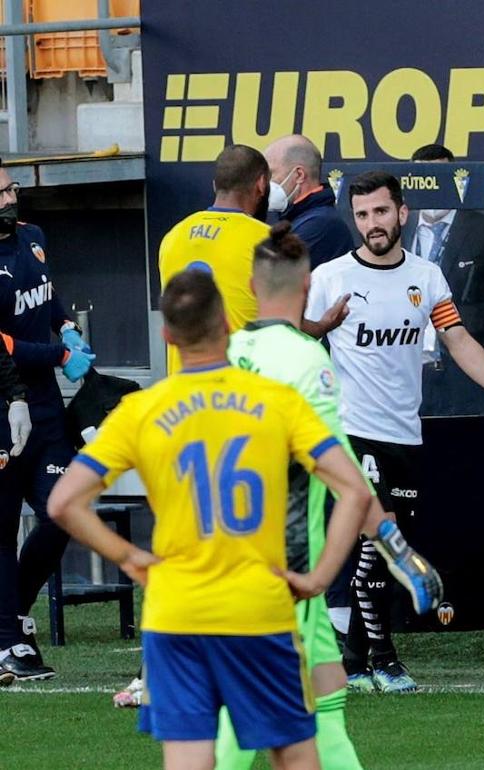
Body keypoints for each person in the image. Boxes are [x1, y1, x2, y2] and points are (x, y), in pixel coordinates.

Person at [47, 270, 372, 770]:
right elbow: (352, 488)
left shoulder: (141, 409)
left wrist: (131, 558)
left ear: (167, 336)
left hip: (175, 610)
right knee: (296, 757)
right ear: (227, 323)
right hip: (259, 607)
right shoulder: (276, 401)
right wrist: (320, 577)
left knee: (192, 762)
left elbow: (63, 502)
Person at [216, 222, 444, 768]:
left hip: (233, 557)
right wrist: (398, 552)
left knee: (326, 706)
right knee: (247, 716)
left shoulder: (229, 353)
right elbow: (345, 477)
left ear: (251, 283)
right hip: (281, 570)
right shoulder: (305, 363)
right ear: (306, 287)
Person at [306, 170, 484, 692]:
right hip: (351, 433)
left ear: (402, 213)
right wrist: (316, 331)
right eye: (363, 214)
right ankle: (387, 660)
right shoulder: (330, 278)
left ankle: (353, 662)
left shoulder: (426, 276)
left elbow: (456, 339)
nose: (372, 224)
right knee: (381, 543)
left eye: (381, 212)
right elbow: (290, 336)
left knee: (390, 545)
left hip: (405, 435)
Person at [0, 161, 94, 682]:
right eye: (4, 191)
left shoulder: (34, 237)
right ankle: (8, 642)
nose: (13, 197)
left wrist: (66, 329)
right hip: (2, 406)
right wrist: (59, 357)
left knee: (65, 508)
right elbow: (4, 345)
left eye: (13, 188)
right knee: (3, 527)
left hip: (45, 406)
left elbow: (49, 297)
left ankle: (12, 612)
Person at [159, 144, 347, 374]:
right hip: (246, 395)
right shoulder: (267, 240)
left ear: (215, 185)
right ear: (261, 184)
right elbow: (287, 322)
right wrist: (321, 327)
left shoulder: (173, 237)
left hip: (185, 394)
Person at [407, 143, 484, 416]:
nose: (431, 188)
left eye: (440, 180)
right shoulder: (395, 232)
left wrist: (451, 321)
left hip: (469, 383)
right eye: (423, 181)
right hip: (410, 381)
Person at [264, 135, 354, 269]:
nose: (264, 184)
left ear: (299, 175)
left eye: (271, 174)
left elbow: (271, 275)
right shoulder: (297, 217)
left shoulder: (321, 224)